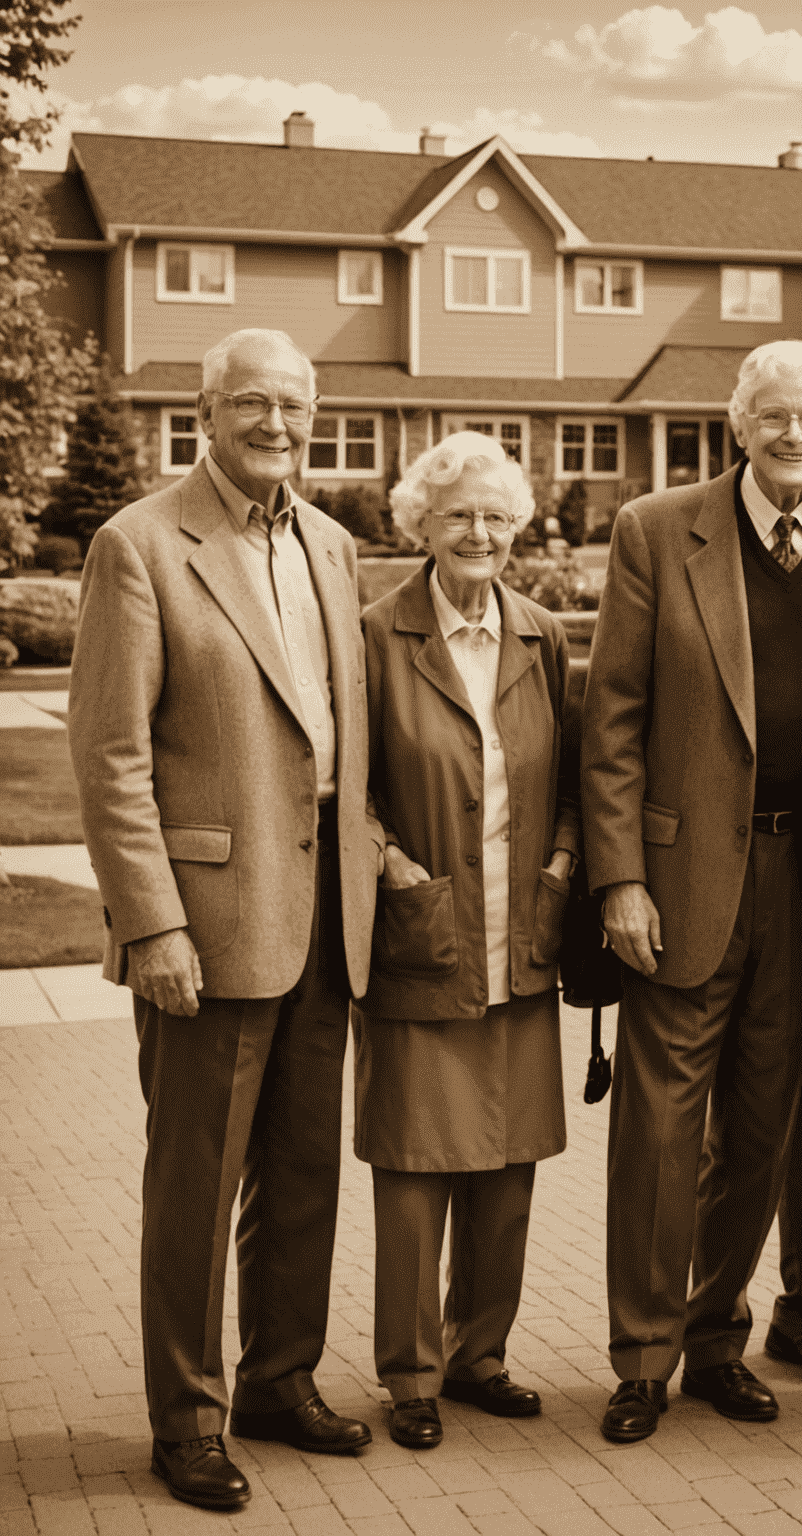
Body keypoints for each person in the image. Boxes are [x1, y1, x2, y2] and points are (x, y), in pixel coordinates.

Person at [68, 329, 381, 1510]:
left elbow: (337, 737)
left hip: (324, 918)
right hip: (206, 923)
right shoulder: (138, 544)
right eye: (252, 401)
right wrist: (152, 925)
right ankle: (188, 1418)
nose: (278, 423)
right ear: (206, 411)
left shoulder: (335, 546)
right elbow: (108, 756)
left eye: (295, 403)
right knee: (195, 1186)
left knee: (304, 1171)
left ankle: (279, 1381)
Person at [582, 340, 802, 1444]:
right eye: (776, 418)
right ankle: (641, 1355)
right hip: (684, 880)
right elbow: (612, 719)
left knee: (765, 1127)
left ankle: (717, 1335)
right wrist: (618, 877)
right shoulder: (657, 530)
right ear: (739, 425)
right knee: (662, 1128)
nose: (795, 437)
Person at [353, 433, 578, 1451]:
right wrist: (393, 867)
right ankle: (410, 1373)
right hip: (422, 932)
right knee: (412, 1170)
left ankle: (479, 1353)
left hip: (520, 932)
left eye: (495, 516)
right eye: (456, 517)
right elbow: (346, 793)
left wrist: (565, 865)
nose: (478, 533)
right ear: (419, 528)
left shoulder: (542, 635)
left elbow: (573, 781)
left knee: (508, 1166)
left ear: (518, 526)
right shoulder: (371, 636)